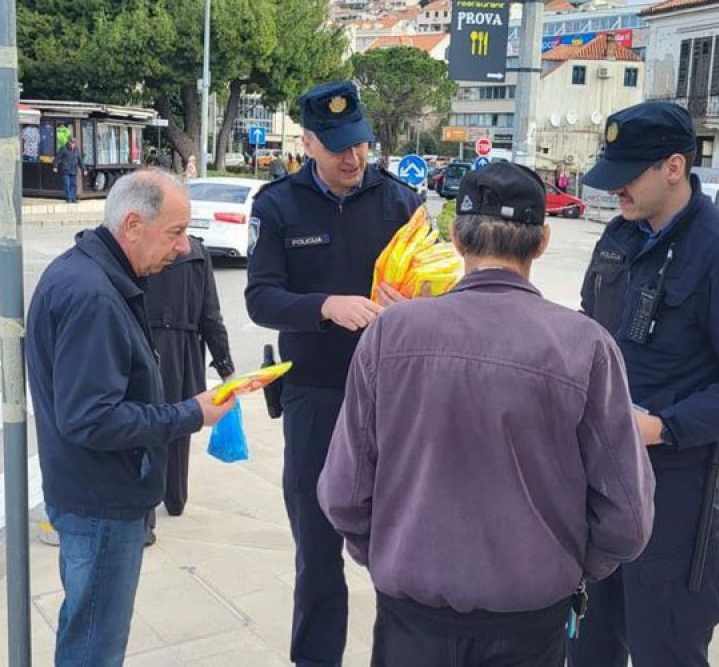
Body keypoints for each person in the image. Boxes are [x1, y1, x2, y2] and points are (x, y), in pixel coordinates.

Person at [317, 162, 656, 667]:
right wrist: (574, 566)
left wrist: (388, 552)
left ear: (456, 237)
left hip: (412, 612)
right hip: (530, 616)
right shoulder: (585, 346)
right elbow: (627, 515)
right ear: (542, 242)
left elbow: (343, 491)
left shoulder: (389, 334)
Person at [568, 101, 719, 667]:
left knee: (665, 643)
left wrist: (664, 427)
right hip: (597, 475)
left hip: (672, 485)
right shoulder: (619, 237)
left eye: (628, 174)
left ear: (674, 167)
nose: (614, 189)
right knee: (587, 641)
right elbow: (590, 331)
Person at [26, 169, 236, 666]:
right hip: (101, 501)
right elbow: (91, 419)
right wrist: (190, 413)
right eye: (176, 232)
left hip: (93, 493)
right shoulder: (93, 295)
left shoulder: (92, 274)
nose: (184, 248)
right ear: (134, 224)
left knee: (88, 631)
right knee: (95, 644)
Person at [245, 80, 422, 667]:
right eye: (340, 146)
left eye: (362, 144)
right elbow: (260, 299)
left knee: (402, 542)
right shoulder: (278, 205)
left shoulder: (401, 203)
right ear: (309, 143)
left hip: (392, 397)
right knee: (317, 548)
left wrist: (416, 306)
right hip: (315, 396)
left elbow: (441, 287)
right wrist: (325, 306)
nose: (354, 158)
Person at [144, 235, 236, 526]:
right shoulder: (197, 251)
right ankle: (176, 498)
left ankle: (145, 517)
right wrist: (225, 367)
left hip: (146, 345)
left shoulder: (145, 247)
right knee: (180, 424)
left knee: (145, 427)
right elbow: (211, 316)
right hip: (184, 352)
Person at [53, 137, 85, 203]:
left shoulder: (77, 150)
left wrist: (84, 169)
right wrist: (55, 166)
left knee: (73, 185)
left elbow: (80, 161)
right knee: (66, 184)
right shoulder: (63, 149)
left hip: (73, 170)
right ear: (69, 142)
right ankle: (68, 199)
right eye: (71, 142)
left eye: (74, 143)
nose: (73, 144)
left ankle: (73, 199)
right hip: (65, 170)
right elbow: (57, 158)